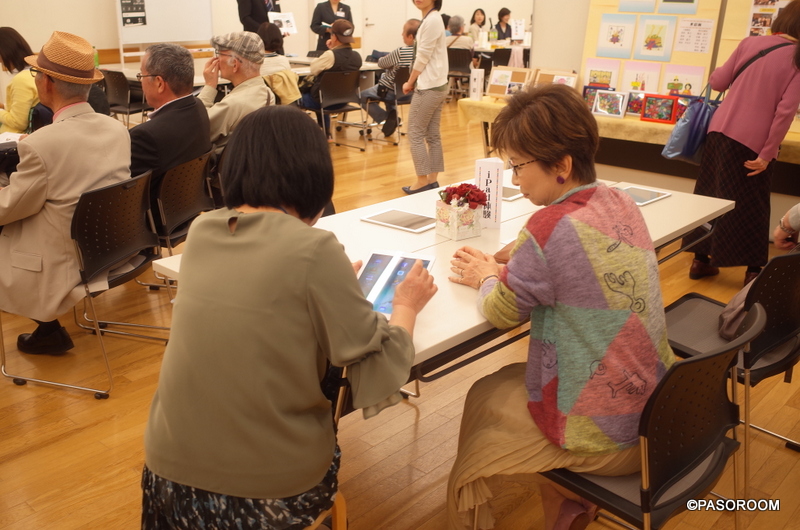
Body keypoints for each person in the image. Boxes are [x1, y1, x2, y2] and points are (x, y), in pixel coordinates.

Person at [141, 105, 437, 530]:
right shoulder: (315, 250)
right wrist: (406, 304)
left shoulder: (203, 232)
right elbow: (371, 348)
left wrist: (327, 282)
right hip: (266, 490)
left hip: (166, 474)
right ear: (313, 174)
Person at [444, 84, 675, 530]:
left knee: (483, 397)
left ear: (562, 166)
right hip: (658, 408)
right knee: (504, 388)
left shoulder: (547, 227)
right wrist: (524, 258)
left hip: (609, 430)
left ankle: (540, 503)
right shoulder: (620, 200)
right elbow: (573, 266)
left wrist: (486, 275)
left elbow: (502, 312)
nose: (515, 179)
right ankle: (567, 506)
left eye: (518, 166)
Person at [0, 31, 130, 355]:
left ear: (46, 82)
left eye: (36, 73)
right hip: (109, 248)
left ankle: (49, 330)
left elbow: (7, 208)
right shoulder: (116, 129)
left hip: (61, 262)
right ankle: (48, 331)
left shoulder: (41, 144)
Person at [683, 1, 800, 287]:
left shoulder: (750, 43)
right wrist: (768, 153)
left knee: (710, 196)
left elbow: (718, 82)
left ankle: (700, 260)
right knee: (752, 205)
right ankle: (753, 271)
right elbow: (785, 111)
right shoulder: (797, 58)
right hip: (753, 142)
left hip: (718, 131)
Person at [129, 43, 211, 207]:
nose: (141, 82)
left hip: (157, 215)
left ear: (159, 83)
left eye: (141, 76)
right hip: (190, 205)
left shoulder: (145, 136)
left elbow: (129, 195)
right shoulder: (198, 107)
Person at [199, 31, 275, 152]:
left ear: (234, 64)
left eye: (219, 54)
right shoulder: (267, 93)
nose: (216, 59)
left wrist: (209, 86)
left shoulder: (234, 104)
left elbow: (195, 130)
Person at [401, 0, 448, 195]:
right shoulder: (432, 19)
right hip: (437, 83)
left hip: (429, 85)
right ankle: (431, 180)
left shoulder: (432, 20)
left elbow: (423, 56)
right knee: (432, 134)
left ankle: (422, 181)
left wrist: (410, 81)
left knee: (415, 133)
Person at [301, 19, 361, 137]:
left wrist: (330, 50)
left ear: (334, 37)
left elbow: (313, 69)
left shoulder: (330, 55)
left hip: (322, 101)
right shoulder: (357, 57)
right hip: (344, 101)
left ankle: (306, 135)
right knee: (325, 93)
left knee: (297, 98)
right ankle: (326, 133)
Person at [359, 19, 419, 137]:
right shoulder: (422, 53)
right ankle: (391, 119)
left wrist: (386, 57)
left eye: (403, 32)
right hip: (411, 93)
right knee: (390, 86)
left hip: (390, 92)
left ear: (410, 36)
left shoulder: (400, 52)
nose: (402, 34)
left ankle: (387, 118)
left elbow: (382, 63)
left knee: (361, 96)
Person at [0, 27, 38, 134]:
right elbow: (27, 109)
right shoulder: (36, 72)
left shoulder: (21, 80)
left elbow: (18, 122)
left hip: (12, 138)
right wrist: (4, 107)